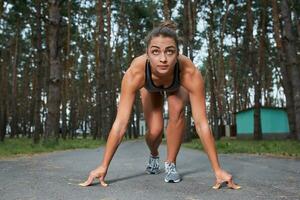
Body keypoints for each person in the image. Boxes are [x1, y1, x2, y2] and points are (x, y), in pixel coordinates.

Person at [79, 21, 240, 189]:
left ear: (177, 54)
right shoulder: (136, 72)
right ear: (147, 54)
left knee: (177, 111)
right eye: (155, 52)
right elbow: (120, 124)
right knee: (155, 131)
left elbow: (201, 123)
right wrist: (104, 165)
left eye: (170, 52)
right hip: (150, 87)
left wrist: (217, 169)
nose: (163, 59)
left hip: (176, 85)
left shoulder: (189, 72)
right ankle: (154, 154)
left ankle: (170, 163)